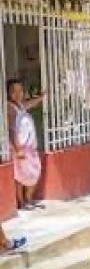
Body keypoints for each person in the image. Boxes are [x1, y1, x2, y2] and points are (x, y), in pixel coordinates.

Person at [6, 79, 45, 210]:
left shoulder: (20, 106)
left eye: (20, 91)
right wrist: (18, 149)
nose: (18, 94)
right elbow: (11, 130)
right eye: (14, 91)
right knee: (20, 176)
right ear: (8, 93)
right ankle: (22, 202)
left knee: (34, 171)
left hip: (29, 149)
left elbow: (30, 103)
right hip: (20, 148)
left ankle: (28, 199)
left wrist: (41, 98)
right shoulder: (10, 108)